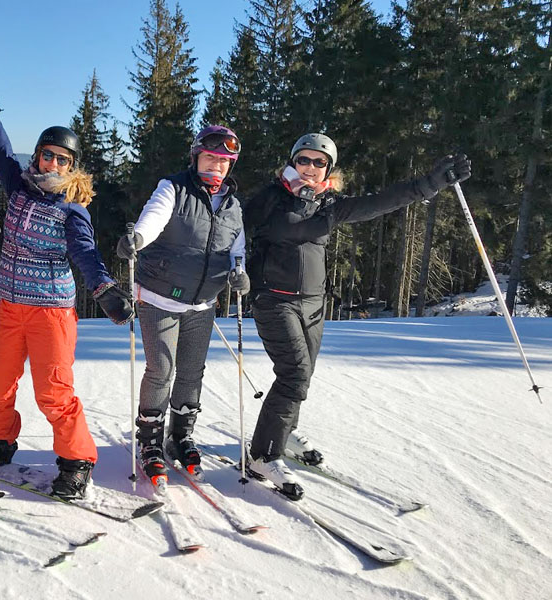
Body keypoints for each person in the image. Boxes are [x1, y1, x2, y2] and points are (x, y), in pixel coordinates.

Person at [243, 133, 471, 500]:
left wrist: (430, 184)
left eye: (320, 163)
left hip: (315, 303)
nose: (311, 168)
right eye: (304, 160)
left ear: (328, 169)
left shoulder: (330, 204)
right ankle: (262, 456)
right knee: (294, 373)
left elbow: (380, 202)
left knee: (303, 374)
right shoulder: (270, 199)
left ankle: (283, 434)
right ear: (292, 161)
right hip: (273, 300)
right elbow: (227, 228)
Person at [0, 71, 133, 500]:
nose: (52, 164)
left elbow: (86, 254)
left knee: (53, 392)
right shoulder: (19, 186)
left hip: (51, 311)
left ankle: (76, 462)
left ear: (72, 167)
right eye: (47, 155)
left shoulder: (71, 209)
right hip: (9, 307)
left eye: (62, 159)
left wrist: (104, 288)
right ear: (37, 156)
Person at [116, 125, 248, 487]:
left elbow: (237, 250)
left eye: (224, 162)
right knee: (161, 369)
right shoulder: (173, 187)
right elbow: (154, 218)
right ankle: (150, 441)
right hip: (159, 295)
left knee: (191, 372)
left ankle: (180, 435)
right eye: (210, 158)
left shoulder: (233, 207)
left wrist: (240, 274)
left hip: (202, 303)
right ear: (196, 157)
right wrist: (137, 239)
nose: (217, 166)